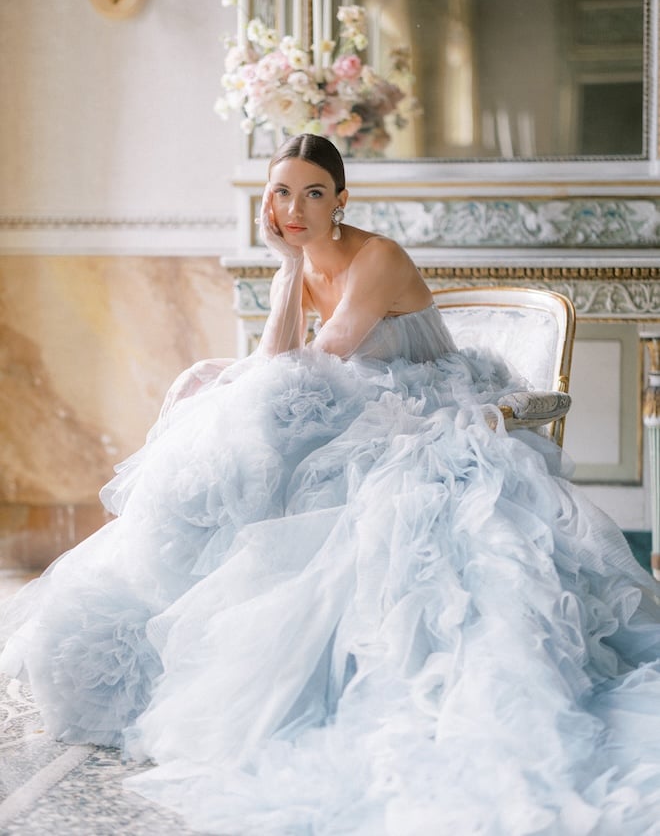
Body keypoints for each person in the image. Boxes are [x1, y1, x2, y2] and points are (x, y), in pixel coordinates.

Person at [2, 134, 660, 836]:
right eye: (282, 193)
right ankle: (176, 610)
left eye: (314, 193)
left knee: (270, 437)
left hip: (424, 407)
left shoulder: (376, 258)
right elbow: (279, 364)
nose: (295, 208)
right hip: (348, 397)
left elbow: (317, 361)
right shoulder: (304, 257)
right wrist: (286, 266)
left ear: (342, 200)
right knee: (214, 401)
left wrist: (248, 380)